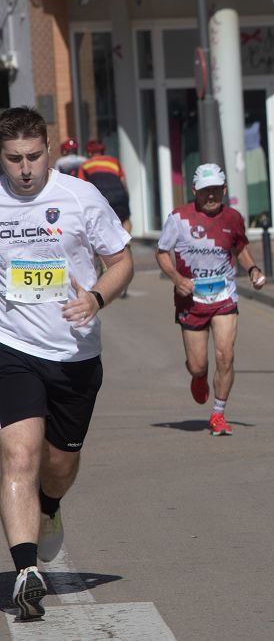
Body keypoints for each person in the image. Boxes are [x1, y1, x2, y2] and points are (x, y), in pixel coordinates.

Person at [0, 107, 133, 620]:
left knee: (58, 468)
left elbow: (120, 261)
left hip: (76, 354)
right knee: (18, 455)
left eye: (34, 156)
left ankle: (49, 507)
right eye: (14, 159)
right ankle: (26, 571)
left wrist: (96, 298)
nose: (26, 168)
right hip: (12, 348)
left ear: (49, 148)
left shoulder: (80, 197)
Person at [155, 164, 266, 436]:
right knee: (198, 365)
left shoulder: (232, 218)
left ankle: (218, 414)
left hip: (223, 296)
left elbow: (240, 247)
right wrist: (177, 279)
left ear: (224, 190)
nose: (211, 196)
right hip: (191, 299)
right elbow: (161, 252)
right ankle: (198, 377)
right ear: (195, 191)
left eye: (216, 190)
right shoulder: (179, 218)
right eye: (206, 192)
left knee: (225, 356)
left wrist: (252, 269)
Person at [77, 139, 131, 235]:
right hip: (120, 194)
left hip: (103, 196)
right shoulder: (114, 161)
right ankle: (127, 244)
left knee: (105, 223)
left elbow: (82, 186)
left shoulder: (85, 165)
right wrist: (126, 196)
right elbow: (123, 181)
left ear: (89, 153)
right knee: (125, 220)